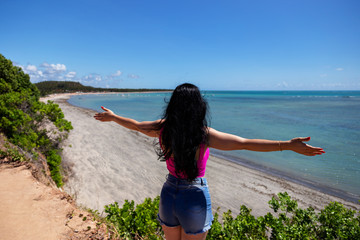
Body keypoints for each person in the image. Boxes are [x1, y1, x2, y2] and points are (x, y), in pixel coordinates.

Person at [94, 83, 325, 240]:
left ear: (173, 104)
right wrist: (287, 145)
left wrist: (113, 117)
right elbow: (244, 143)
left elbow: (135, 124)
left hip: (168, 193)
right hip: (194, 195)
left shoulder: (162, 128)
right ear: (198, 106)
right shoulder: (203, 134)